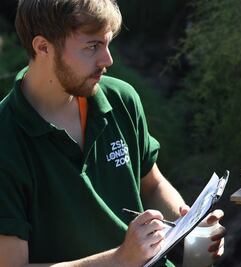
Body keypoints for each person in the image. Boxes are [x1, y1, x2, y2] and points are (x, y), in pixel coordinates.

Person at [0, 0, 225, 266]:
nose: (107, 60)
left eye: (107, 44)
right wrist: (120, 259)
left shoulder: (121, 98)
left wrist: (187, 223)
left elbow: (152, 184)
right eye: (92, 47)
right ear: (43, 47)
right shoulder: (7, 137)